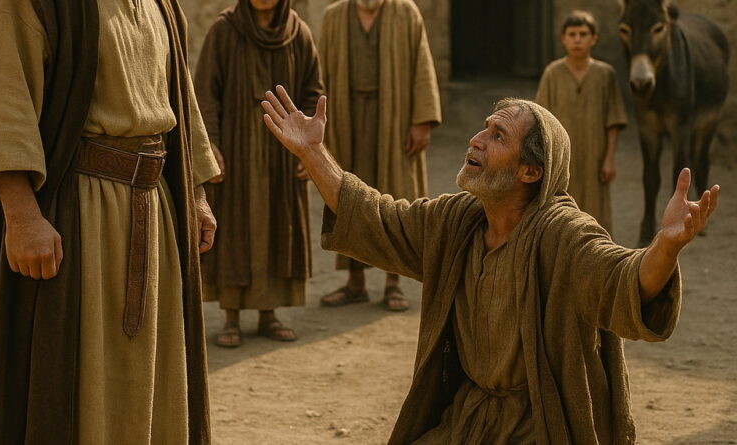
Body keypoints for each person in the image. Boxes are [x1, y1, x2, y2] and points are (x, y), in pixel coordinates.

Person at [260, 85, 719, 444]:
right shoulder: (455, 221)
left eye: (497, 136)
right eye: (484, 128)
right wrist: (313, 153)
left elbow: (623, 280)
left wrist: (666, 246)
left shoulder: (563, 235)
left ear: (531, 172)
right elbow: (376, 217)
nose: (476, 140)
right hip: (469, 420)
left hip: (540, 426)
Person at [0, 0, 221, 443]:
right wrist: (22, 216)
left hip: (155, 209)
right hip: (79, 214)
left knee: (153, 367)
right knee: (72, 372)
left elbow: (178, 95)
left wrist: (195, 193)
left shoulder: (160, 3)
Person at [194, 0, 323, 348]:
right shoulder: (224, 30)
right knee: (234, 226)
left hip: (284, 148)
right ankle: (231, 316)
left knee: (279, 227)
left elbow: (313, 93)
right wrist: (212, 147)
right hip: (234, 150)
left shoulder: (299, 33)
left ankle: (269, 314)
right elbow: (205, 92)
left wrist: (311, 150)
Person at [318, 0, 441, 311]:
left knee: (396, 194)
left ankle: (394, 282)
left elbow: (422, 67)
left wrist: (421, 120)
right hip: (347, 117)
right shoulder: (334, 16)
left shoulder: (405, 12)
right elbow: (319, 74)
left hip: (394, 118)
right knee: (344, 193)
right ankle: (354, 281)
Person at [536, 10, 627, 233]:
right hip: (561, 156)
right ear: (563, 39)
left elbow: (613, 120)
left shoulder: (605, 74)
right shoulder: (553, 73)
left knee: (597, 214)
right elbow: (540, 119)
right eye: (572, 34)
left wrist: (609, 159)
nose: (577, 39)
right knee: (559, 210)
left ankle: (599, 260)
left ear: (593, 39)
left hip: (595, 156)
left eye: (583, 34)